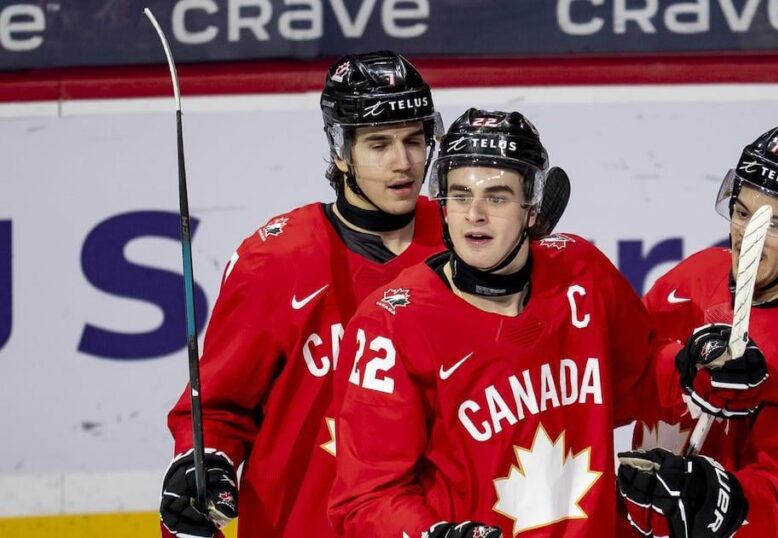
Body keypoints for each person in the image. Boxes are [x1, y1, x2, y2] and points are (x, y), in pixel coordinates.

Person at [327, 108, 658, 537]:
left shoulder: (582, 272)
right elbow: (364, 500)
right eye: (460, 195)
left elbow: (643, 385)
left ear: (533, 209)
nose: (474, 214)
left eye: (497, 197)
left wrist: (695, 367)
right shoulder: (390, 325)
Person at [159, 51, 446, 538]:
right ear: (340, 151)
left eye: (414, 140)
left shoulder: (463, 242)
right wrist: (203, 464)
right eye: (379, 144)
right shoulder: (277, 259)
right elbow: (220, 407)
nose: (404, 163)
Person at [618, 121, 778, 537]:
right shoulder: (694, 276)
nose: (747, 236)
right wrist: (683, 363)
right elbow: (622, 375)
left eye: (776, 224)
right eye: (743, 212)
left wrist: (707, 495)